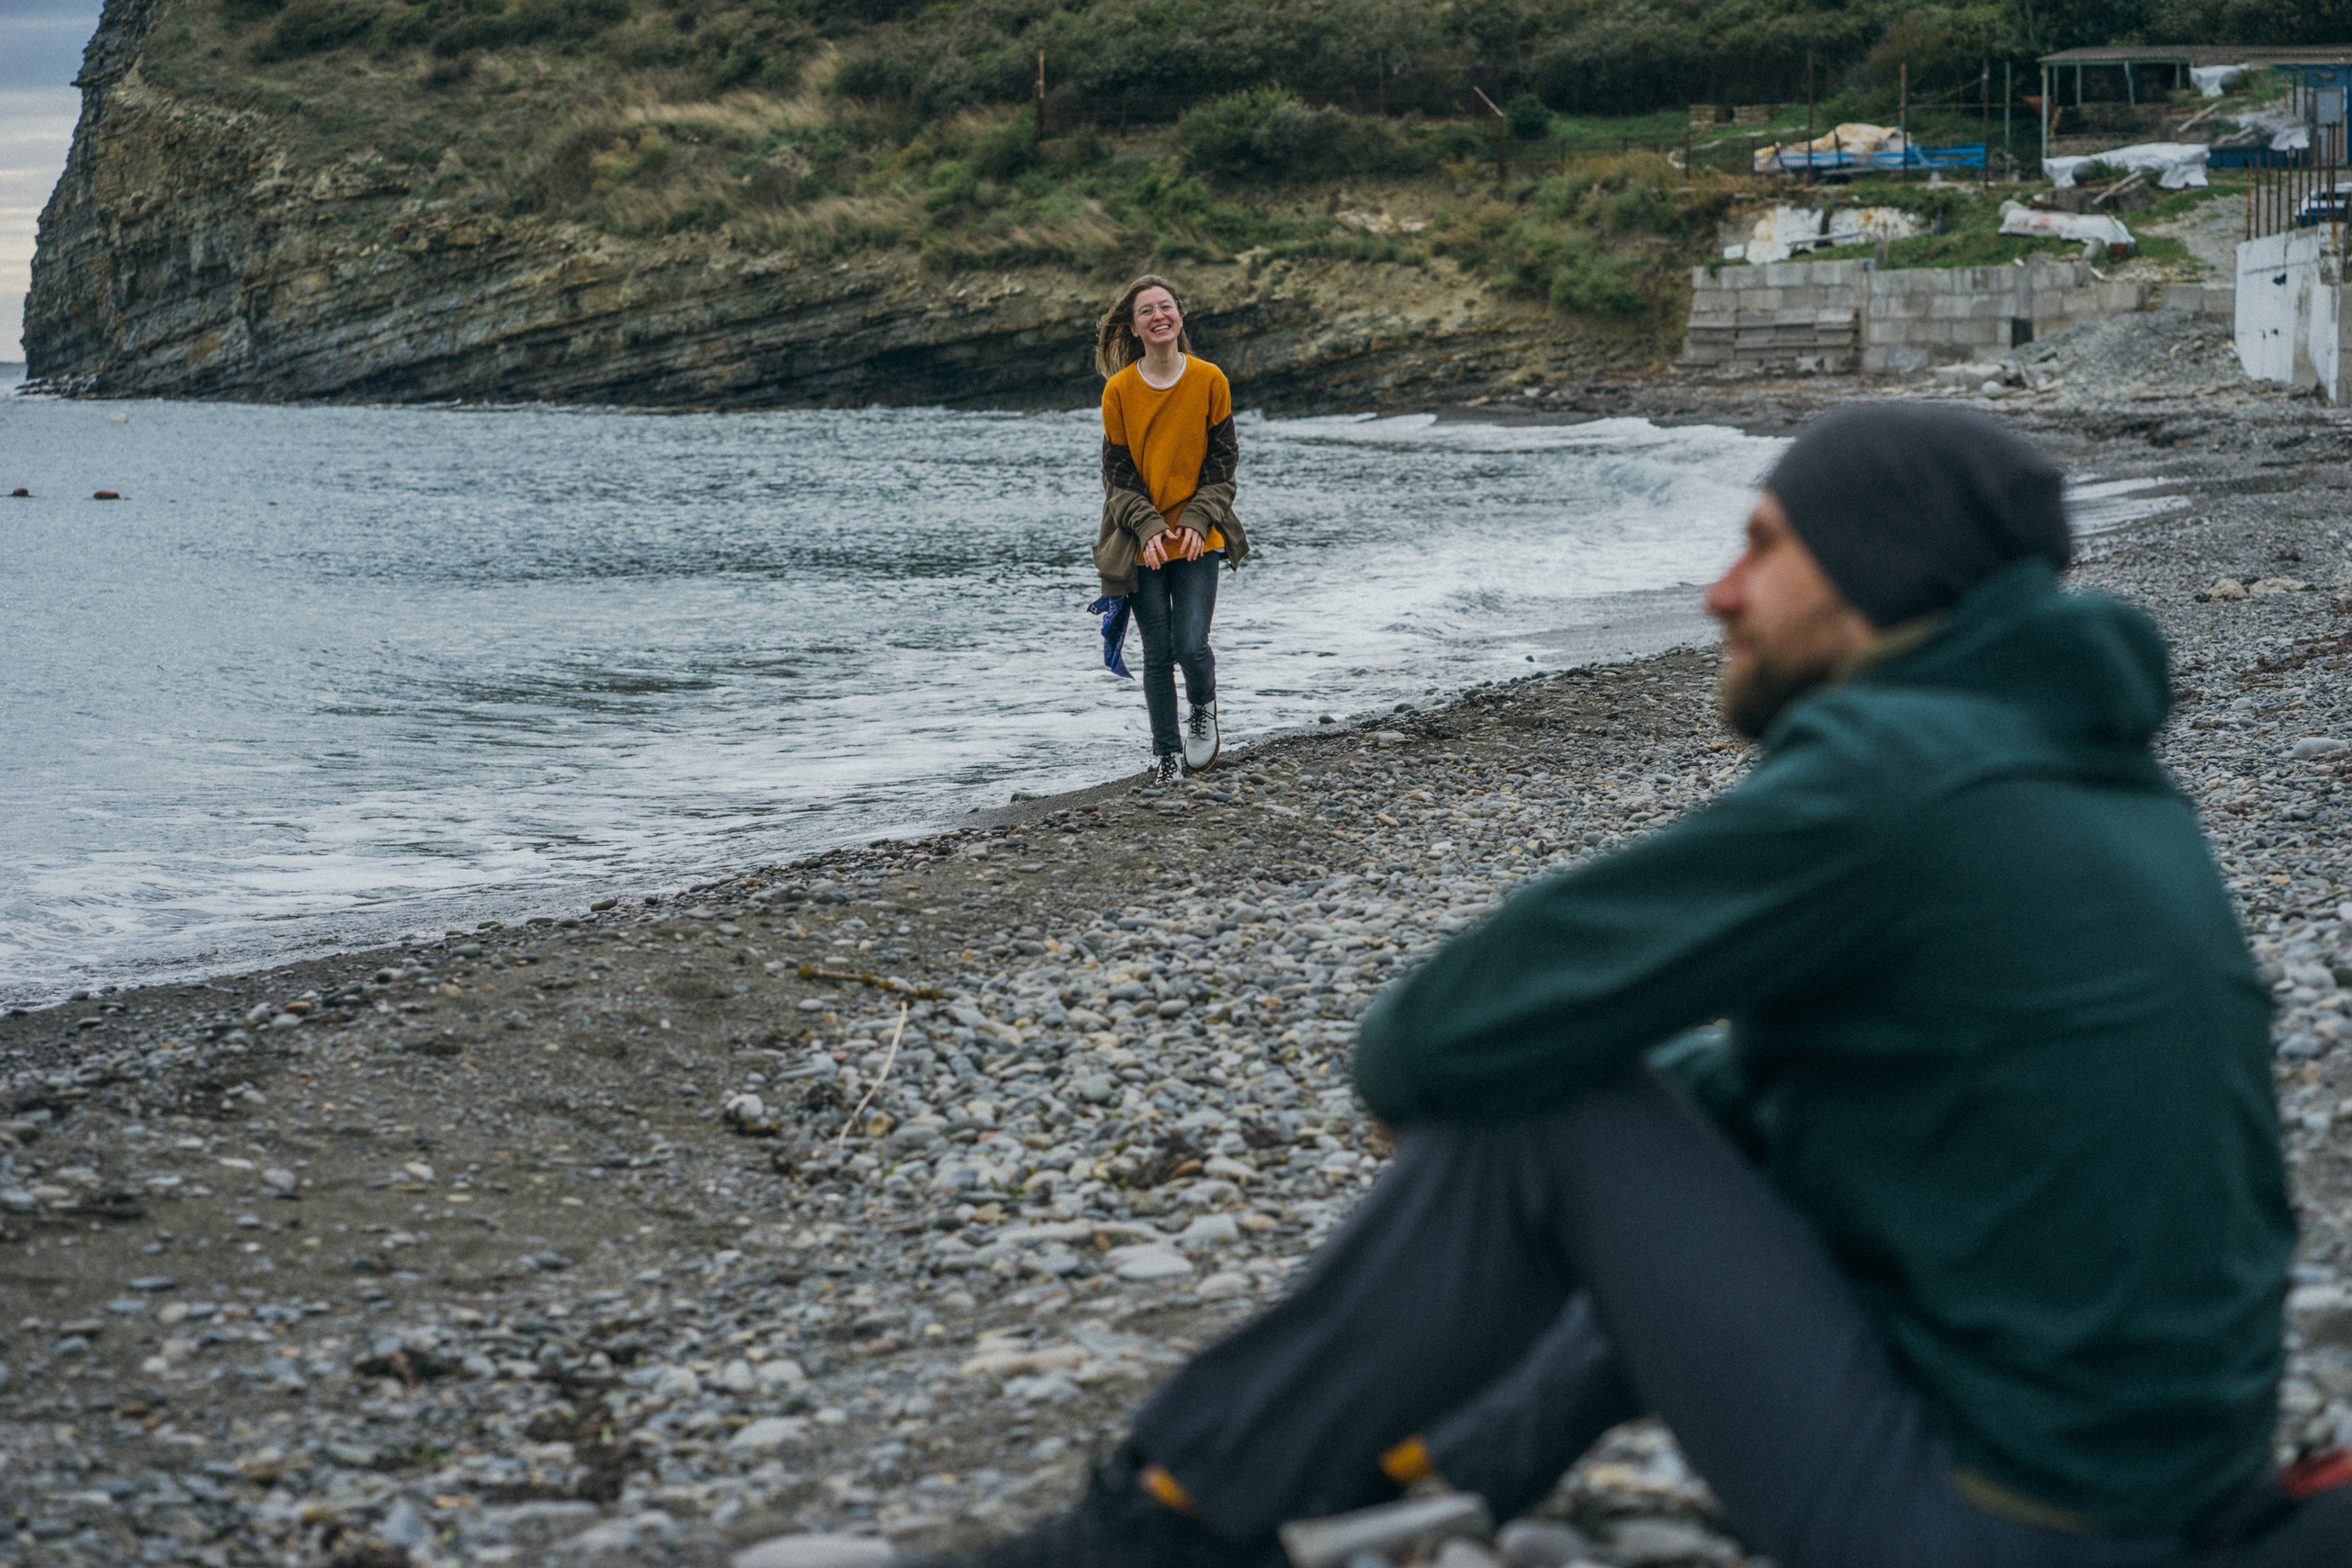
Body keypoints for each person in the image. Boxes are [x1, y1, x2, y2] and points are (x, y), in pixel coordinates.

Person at [935, 404, 2352, 1568]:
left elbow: (1426, 1036)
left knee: (1552, 1108)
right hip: (2167, 1494)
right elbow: (1809, 1102)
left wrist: (1504, 1123)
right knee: (1722, 1109)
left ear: (1875, 573)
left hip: (2003, 1531)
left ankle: (1145, 1529)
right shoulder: (2106, 779)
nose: (1716, 590)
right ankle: (1441, 1473)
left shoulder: (1894, 778)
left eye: (1761, 546)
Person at [1092, 275, 1248, 787]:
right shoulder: (1118, 391)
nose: (1158, 316)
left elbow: (1222, 469)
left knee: (1191, 645)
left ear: (1180, 317)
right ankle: (1165, 758)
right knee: (1157, 653)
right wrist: (1151, 529)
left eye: (1166, 307)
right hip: (1141, 543)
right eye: (1146, 311)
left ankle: (1202, 710)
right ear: (1135, 327)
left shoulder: (1210, 380)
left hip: (1201, 538)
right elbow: (1117, 477)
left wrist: (1197, 522)